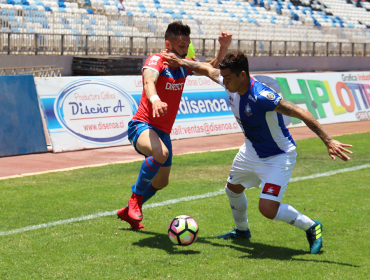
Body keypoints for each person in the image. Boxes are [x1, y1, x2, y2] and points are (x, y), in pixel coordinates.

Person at [161, 50, 353, 254]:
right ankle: (242, 231)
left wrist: (328, 140)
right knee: (232, 189)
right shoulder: (229, 81)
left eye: (227, 78)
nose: (223, 82)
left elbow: (300, 111)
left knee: (267, 209)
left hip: (278, 156)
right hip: (251, 151)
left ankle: (311, 226)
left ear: (242, 75)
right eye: (223, 77)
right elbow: (207, 69)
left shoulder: (262, 96)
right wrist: (180, 61)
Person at [117, 21, 232, 230]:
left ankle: (129, 212)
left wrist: (223, 47)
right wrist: (155, 100)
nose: (185, 49)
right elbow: (149, 82)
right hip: (141, 125)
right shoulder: (156, 60)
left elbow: (210, 69)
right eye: (180, 45)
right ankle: (135, 199)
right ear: (168, 44)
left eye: (187, 45)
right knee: (159, 153)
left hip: (162, 132)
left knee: (161, 182)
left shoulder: (184, 65)